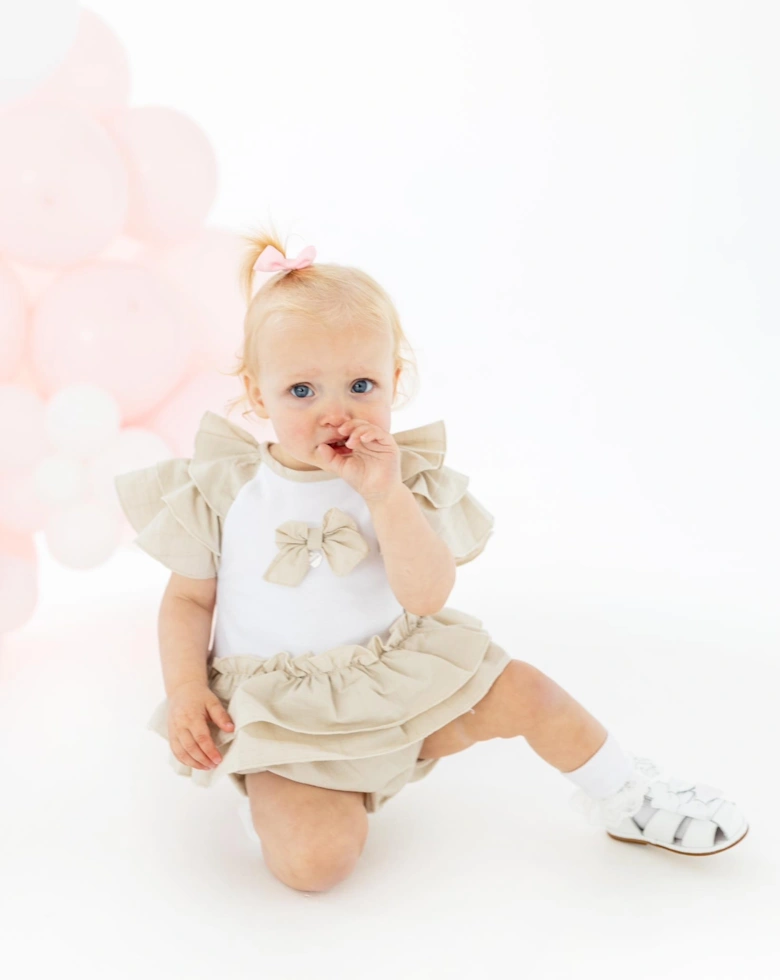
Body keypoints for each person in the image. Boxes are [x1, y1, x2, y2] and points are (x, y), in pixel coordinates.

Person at [114, 230, 748, 892]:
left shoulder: (399, 479)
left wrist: (383, 495)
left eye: (360, 385)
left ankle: (623, 792)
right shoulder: (227, 485)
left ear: (393, 382)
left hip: (395, 677)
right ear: (256, 391)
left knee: (528, 690)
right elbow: (189, 600)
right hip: (286, 712)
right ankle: (306, 784)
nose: (335, 412)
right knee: (313, 867)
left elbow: (426, 596)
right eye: (302, 391)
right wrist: (187, 687)